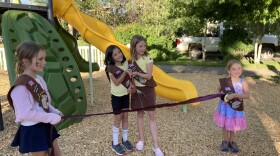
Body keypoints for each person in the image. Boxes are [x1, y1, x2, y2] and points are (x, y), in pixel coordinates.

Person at [7, 41, 63, 156]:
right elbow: (25, 114)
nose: (44, 62)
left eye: (44, 59)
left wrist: (54, 111)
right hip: (33, 130)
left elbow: (44, 103)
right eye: (40, 59)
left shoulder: (39, 80)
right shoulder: (20, 87)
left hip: (45, 124)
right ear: (26, 62)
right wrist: (50, 117)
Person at [129, 34, 164, 156]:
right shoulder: (131, 61)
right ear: (134, 46)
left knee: (152, 117)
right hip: (137, 90)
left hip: (148, 89)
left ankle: (156, 146)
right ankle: (141, 140)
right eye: (140, 46)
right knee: (139, 115)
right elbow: (130, 77)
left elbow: (149, 76)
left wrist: (136, 73)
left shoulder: (148, 57)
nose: (143, 48)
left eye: (144, 46)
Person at [213, 60, 250, 153]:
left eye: (239, 68)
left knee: (234, 125)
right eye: (233, 69)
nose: (237, 71)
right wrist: (220, 96)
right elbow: (217, 90)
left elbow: (247, 95)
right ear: (228, 70)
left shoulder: (243, 82)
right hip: (225, 107)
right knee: (225, 124)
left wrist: (235, 95)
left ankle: (232, 142)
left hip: (236, 108)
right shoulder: (224, 82)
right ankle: (225, 141)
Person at [104, 45, 134, 155]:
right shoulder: (110, 68)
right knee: (117, 118)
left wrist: (131, 87)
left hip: (126, 95)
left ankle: (125, 140)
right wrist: (125, 73)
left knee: (125, 117)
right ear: (111, 57)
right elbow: (116, 83)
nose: (119, 55)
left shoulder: (127, 63)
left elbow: (131, 79)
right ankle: (115, 143)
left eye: (119, 52)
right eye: (115, 54)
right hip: (116, 96)